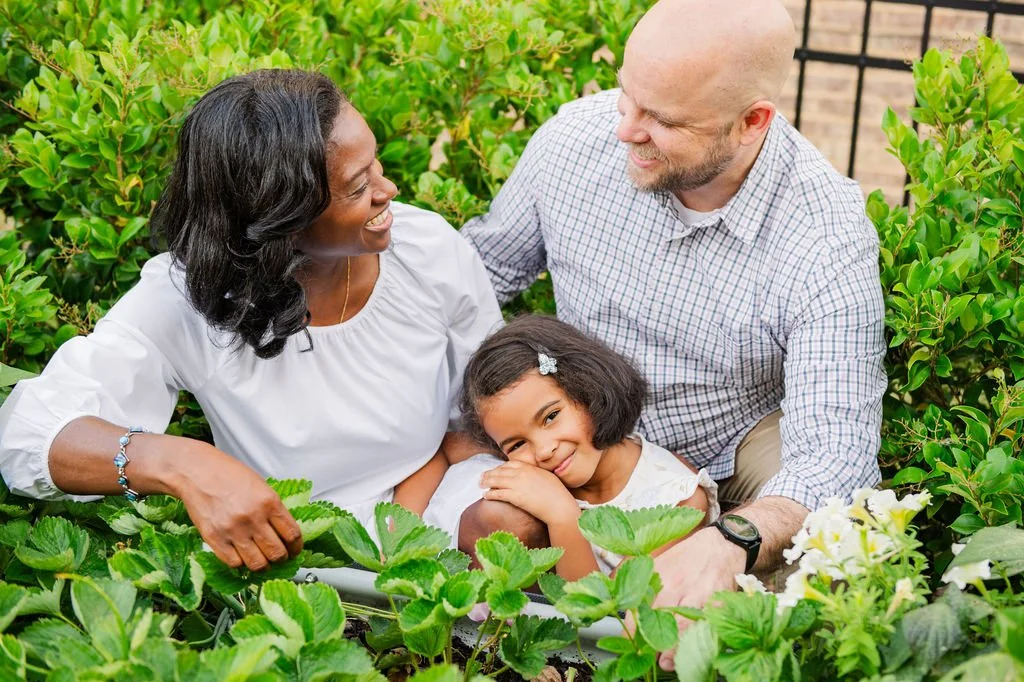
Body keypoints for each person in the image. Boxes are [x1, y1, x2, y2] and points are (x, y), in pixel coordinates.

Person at [459, 0, 886, 663]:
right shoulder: (577, 140)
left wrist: (731, 542)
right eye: (629, 96)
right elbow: (479, 275)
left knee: (825, 550)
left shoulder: (824, 235)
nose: (625, 129)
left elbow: (835, 455)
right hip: (573, 434)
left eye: (661, 118)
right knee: (495, 525)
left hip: (724, 451)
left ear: (752, 122)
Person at [0, 69, 502, 572]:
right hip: (295, 542)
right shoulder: (188, 297)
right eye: (356, 187)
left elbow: (487, 417)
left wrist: (405, 522)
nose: (387, 189)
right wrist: (183, 464)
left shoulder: (427, 250)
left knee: (509, 522)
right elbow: (29, 436)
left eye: (376, 164)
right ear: (279, 217)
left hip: (438, 501)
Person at [455, 315, 718, 580]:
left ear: (589, 389)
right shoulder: (549, 463)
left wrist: (563, 517)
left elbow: (603, 613)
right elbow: (447, 449)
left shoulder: (680, 499)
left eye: (550, 417)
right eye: (517, 444)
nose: (544, 450)